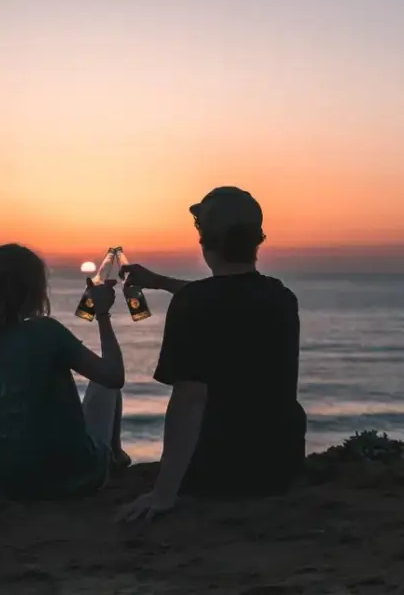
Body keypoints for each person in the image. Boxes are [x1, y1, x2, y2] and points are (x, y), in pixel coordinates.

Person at [116, 187, 306, 522]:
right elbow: (229, 296)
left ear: (204, 239)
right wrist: (158, 281)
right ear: (256, 240)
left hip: (218, 474)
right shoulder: (281, 297)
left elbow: (190, 399)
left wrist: (163, 493)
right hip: (279, 468)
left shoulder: (193, 305)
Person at [0, 243, 127, 507]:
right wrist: (103, 314)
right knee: (102, 387)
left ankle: (114, 454)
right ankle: (113, 455)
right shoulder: (46, 333)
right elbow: (114, 376)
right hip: (75, 477)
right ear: (32, 292)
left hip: (8, 484)